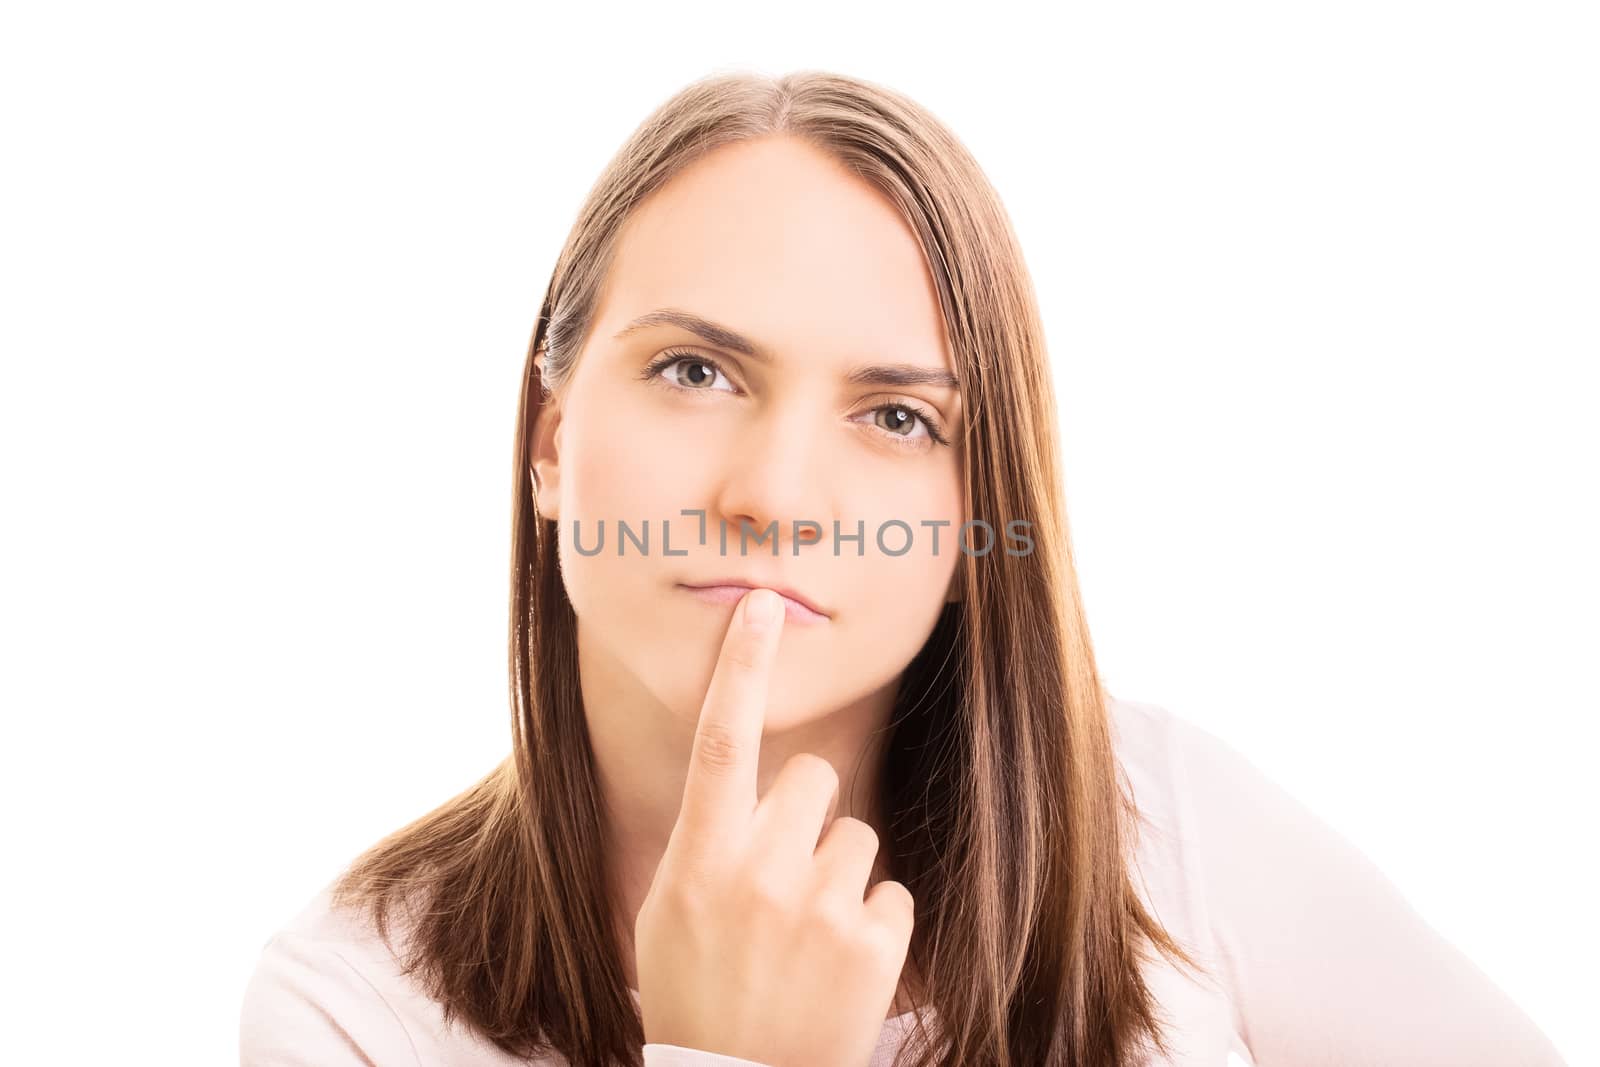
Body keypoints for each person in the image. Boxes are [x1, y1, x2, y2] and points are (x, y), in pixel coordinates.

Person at [239, 70, 1566, 1067]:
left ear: (970, 524)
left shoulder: (1166, 836)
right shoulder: (352, 1003)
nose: (773, 499)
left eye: (896, 418)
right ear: (549, 440)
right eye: (694, 372)